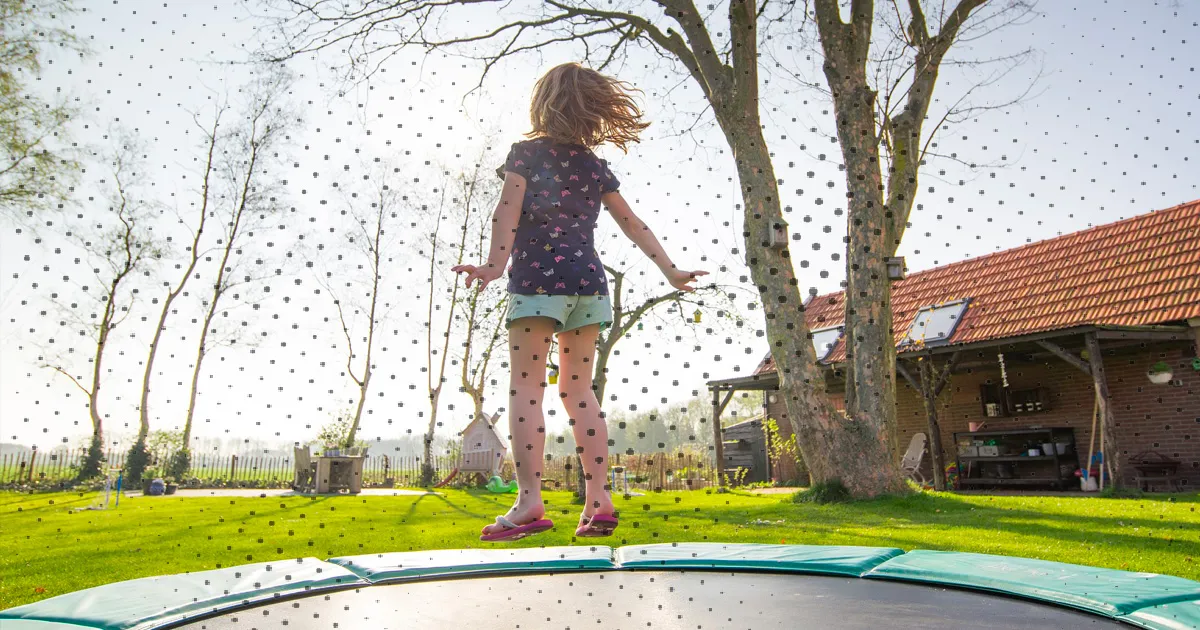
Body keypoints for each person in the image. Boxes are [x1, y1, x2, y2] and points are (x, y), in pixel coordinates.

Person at [452, 62, 707, 542]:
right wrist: (670, 270)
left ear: (544, 102)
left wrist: (492, 266)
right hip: (589, 285)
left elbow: (505, 212)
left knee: (526, 389)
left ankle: (529, 502)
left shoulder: (525, 155)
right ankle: (599, 499)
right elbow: (632, 223)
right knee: (579, 392)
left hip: (536, 286)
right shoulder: (594, 165)